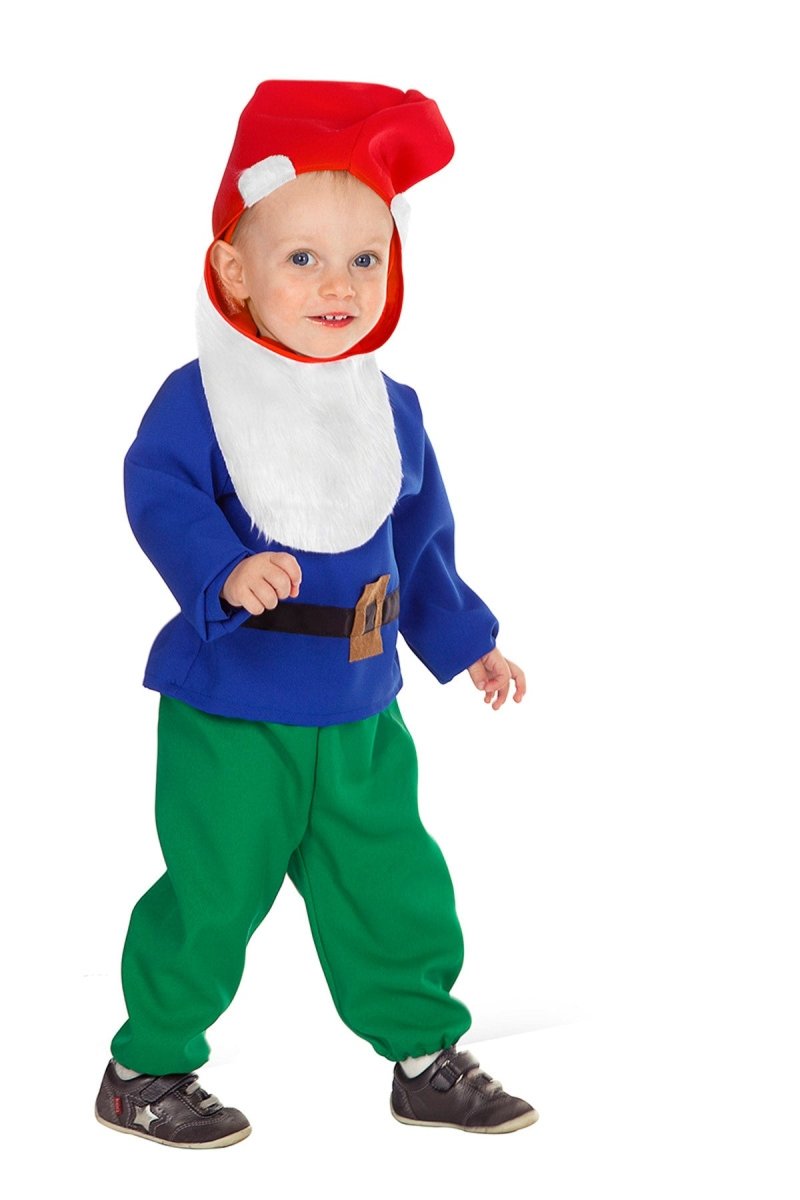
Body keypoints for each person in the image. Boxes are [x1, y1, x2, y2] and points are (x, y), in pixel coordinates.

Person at [94, 80, 538, 1148]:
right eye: (302, 258)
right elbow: (157, 490)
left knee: (393, 881)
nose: (339, 284)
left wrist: (466, 642)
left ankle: (422, 1057)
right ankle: (144, 1067)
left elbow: (419, 539)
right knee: (214, 889)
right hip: (233, 707)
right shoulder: (203, 395)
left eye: (364, 259)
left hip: (358, 707)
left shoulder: (389, 407)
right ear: (235, 271)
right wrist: (221, 569)